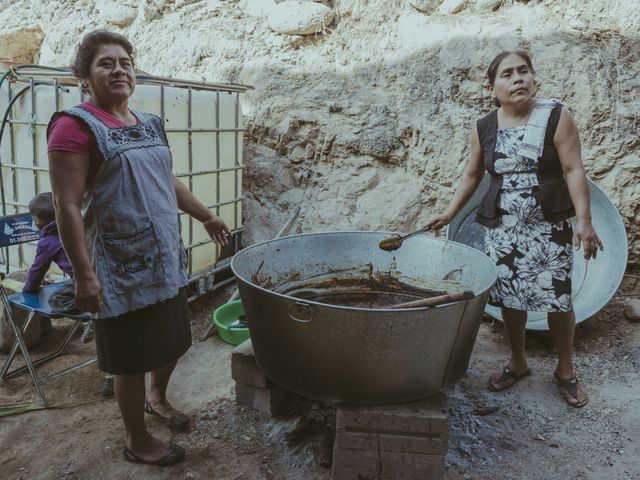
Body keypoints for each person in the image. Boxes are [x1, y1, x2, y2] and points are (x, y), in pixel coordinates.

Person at [47, 29, 231, 466]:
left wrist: (206, 215)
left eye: (125, 62)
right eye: (105, 63)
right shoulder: (74, 126)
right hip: (116, 265)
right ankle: (137, 439)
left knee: (172, 341)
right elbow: (66, 204)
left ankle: (158, 397)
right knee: (130, 358)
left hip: (164, 255)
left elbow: (166, 181)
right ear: (85, 76)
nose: (119, 69)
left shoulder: (148, 123)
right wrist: (84, 274)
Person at [425, 51, 602, 408]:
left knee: (558, 297)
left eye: (524, 71)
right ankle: (518, 362)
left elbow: (573, 170)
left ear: (533, 78)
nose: (519, 78)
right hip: (502, 227)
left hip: (548, 225)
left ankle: (565, 369)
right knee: (509, 296)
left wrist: (584, 222)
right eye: (508, 74)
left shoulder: (555, 116)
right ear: (492, 88)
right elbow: (472, 176)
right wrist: (448, 213)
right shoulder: (484, 126)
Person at [23, 192, 73, 294]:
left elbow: (38, 270)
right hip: (100, 273)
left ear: (37, 222)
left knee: (56, 300)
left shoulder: (47, 241)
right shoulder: (74, 226)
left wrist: (27, 291)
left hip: (83, 281)